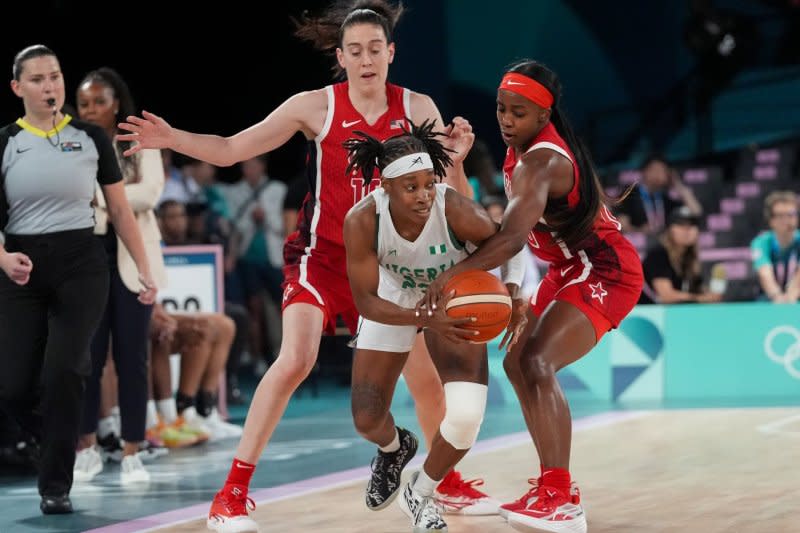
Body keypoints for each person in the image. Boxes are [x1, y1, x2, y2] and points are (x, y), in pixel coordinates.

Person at [117, 3, 488, 530]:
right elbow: (228, 149)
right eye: (354, 51)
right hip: (322, 256)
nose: (365, 60)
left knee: (424, 379)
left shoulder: (417, 107)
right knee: (294, 359)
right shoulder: (314, 107)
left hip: (390, 266)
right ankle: (232, 493)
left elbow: (456, 200)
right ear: (340, 57)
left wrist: (458, 159)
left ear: (392, 53)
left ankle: (443, 483)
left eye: (375, 50)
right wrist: (172, 138)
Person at [420, 60, 644, 533]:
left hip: (605, 269)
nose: (505, 119)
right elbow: (507, 230)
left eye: (517, 113)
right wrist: (517, 290)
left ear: (543, 116)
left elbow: (509, 239)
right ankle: (551, 484)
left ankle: (561, 499)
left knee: (538, 362)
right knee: (516, 359)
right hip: (567, 267)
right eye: (500, 109)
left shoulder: (543, 160)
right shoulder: (516, 151)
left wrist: (450, 278)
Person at [342, 121, 527, 531]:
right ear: (385, 187)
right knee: (367, 419)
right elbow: (367, 303)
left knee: (464, 417)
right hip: (393, 298)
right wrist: (423, 319)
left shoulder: (454, 207)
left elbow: (510, 242)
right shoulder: (362, 220)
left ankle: (421, 491)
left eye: (429, 183)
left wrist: (512, 290)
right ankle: (395, 448)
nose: (425, 195)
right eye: (411, 187)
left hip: (454, 294)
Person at [0, 44, 156, 515]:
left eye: (55, 76)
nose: (50, 86)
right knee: (12, 386)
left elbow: (123, 211)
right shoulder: (6, 141)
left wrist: (145, 271)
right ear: (18, 88)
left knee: (68, 369)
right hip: (21, 266)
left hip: (81, 261)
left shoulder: (90, 137)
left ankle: (55, 484)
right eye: (38, 79)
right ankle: (53, 439)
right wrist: (4, 259)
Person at [73, 66, 168, 486]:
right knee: (86, 361)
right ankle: (87, 448)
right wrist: (115, 203)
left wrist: (99, 196)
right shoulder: (71, 147)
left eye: (99, 101)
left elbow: (150, 194)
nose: (91, 110)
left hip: (133, 263)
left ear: (117, 105)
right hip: (85, 264)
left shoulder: (138, 142)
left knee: (132, 360)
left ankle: (133, 451)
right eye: (84, 104)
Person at [640, 206, 723, 304]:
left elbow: (695, 290)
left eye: (692, 225)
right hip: (646, 313)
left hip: (673, 312)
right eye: (681, 225)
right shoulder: (659, 254)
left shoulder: (688, 256)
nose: (687, 230)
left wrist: (710, 295)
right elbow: (666, 296)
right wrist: (700, 298)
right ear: (670, 230)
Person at [615, 154, 703, 234]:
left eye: (663, 171)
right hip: (638, 246)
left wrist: (678, 184)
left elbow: (696, 211)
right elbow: (622, 226)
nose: (659, 174)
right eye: (656, 170)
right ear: (644, 172)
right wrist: (640, 231)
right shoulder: (629, 194)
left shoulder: (665, 199)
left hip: (662, 246)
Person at [751, 190, 800, 303]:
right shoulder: (760, 242)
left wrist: (792, 295)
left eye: (791, 214)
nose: (787, 220)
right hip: (768, 301)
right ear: (771, 220)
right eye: (780, 216)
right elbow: (765, 273)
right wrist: (777, 296)